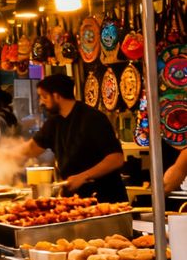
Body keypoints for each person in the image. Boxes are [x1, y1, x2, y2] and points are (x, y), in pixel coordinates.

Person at [18, 74, 127, 203]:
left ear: (57, 96)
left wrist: (83, 177)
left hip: (106, 199)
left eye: (44, 96)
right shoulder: (54, 123)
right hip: (75, 200)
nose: (41, 102)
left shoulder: (93, 119)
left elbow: (116, 159)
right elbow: (32, 148)